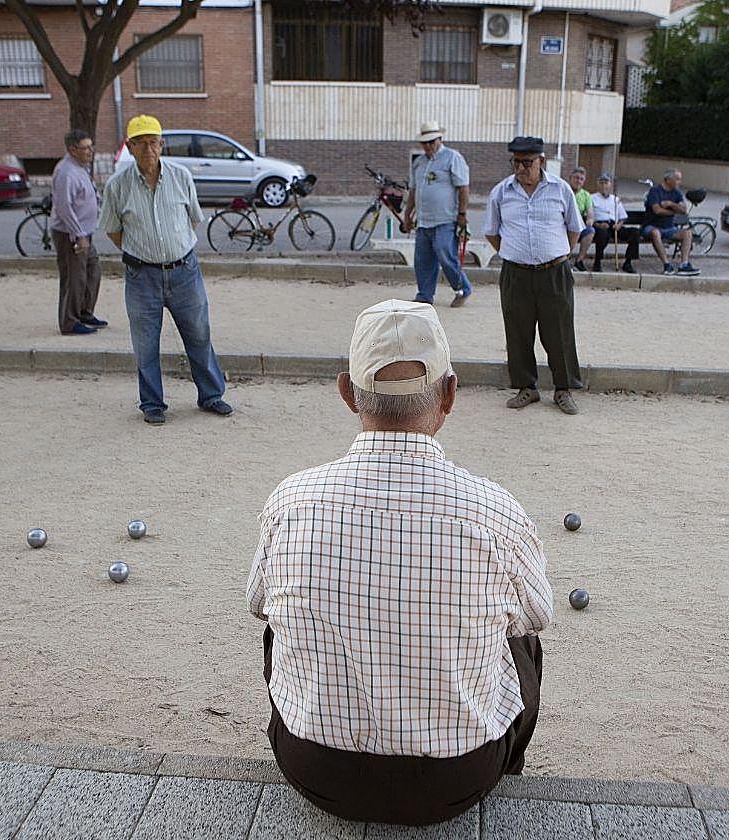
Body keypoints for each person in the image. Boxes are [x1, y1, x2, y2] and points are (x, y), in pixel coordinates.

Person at [247, 299, 552, 826]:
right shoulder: (495, 511)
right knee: (521, 636)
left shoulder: (291, 499)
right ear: (450, 393)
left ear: (347, 392)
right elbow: (537, 614)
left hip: (316, 771)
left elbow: (255, 602)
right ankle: (509, 765)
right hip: (459, 779)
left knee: (279, 616)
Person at [99, 115, 232, 425]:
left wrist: (171, 248)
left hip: (184, 271)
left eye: (153, 142)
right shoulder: (117, 185)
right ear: (129, 147)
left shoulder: (181, 176)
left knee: (199, 334)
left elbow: (193, 219)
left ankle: (212, 395)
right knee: (145, 343)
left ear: (162, 145)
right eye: (141, 143)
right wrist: (144, 252)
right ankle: (152, 403)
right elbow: (113, 230)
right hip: (141, 276)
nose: (148, 149)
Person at [483, 136, 583, 416]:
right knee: (517, 331)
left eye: (527, 162)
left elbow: (574, 229)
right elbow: (492, 232)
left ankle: (563, 389)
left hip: (554, 272)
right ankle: (526, 387)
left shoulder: (561, 190)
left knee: (559, 332)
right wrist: (516, 254)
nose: (520, 168)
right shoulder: (502, 192)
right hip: (516, 274)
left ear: (541, 161)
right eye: (516, 162)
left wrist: (557, 253)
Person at [402, 121, 473, 307]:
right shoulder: (419, 162)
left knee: (445, 254)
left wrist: (462, 214)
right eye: (425, 143)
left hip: (446, 219)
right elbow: (413, 190)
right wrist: (407, 214)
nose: (428, 146)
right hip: (424, 220)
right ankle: (425, 295)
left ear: (440, 139)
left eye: (431, 142)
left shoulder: (452, 157)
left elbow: (463, 187)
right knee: (422, 260)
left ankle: (462, 289)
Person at [50, 129, 105, 336]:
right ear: (73, 150)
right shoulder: (66, 172)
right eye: (86, 148)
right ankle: (69, 322)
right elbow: (64, 208)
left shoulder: (80, 167)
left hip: (85, 231)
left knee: (92, 271)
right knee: (74, 277)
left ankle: (84, 312)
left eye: (92, 146)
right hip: (71, 234)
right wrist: (79, 235)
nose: (91, 151)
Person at [642, 169, 699, 276]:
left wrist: (670, 204)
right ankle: (667, 265)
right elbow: (657, 210)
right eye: (677, 179)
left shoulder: (676, 193)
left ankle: (684, 265)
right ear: (668, 180)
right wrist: (673, 212)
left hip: (669, 228)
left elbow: (683, 210)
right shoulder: (655, 191)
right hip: (651, 226)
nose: (679, 182)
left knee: (687, 233)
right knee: (655, 233)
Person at [583, 173, 639, 274]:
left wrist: (619, 225)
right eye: (601, 183)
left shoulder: (615, 199)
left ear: (610, 185)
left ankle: (628, 262)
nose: (604, 185)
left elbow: (622, 217)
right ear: (598, 184)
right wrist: (598, 225)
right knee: (602, 234)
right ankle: (597, 262)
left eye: (606, 183)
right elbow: (588, 216)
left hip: (614, 226)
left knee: (635, 232)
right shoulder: (591, 198)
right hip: (599, 225)